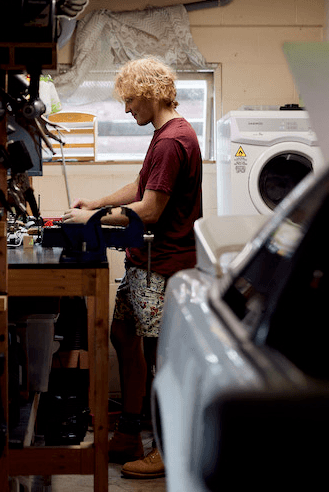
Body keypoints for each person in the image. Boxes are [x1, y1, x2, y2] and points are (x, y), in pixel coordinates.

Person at [62, 57, 202, 479]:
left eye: (130, 101)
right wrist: (97, 203)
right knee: (123, 335)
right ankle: (128, 433)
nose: (126, 110)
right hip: (146, 262)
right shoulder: (165, 134)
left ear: (152, 93)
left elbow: (152, 209)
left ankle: (165, 449)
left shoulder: (171, 140)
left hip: (163, 263)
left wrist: (93, 221)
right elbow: (142, 186)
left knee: (163, 357)